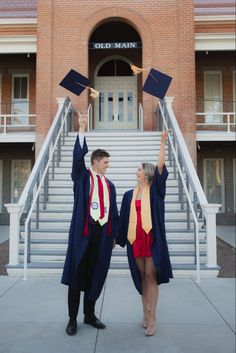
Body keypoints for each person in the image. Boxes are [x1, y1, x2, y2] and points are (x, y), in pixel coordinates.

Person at [61, 113, 119, 335]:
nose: (108, 165)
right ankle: (72, 318)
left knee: (96, 275)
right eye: (105, 162)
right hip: (83, 234)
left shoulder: (110, 185)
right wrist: (82, 129)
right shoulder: (82, 178)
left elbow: (113, 212)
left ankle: (89, 315)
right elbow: (77, 159)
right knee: (78, 275)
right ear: (95, 162)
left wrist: (114, 235)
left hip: (102, 234)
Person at [118, 130, 173, 336]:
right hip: (135, 238)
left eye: (139, 168)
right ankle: (144, 312)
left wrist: (162, 143)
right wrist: (117, 238)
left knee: (151, 275)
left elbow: (160, 167)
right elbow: (123, 220)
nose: (136, 171)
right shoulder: (128, 195)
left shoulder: (156, 191)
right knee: (141, 276)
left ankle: (153, 317)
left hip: (152, 238)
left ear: (146, 173)